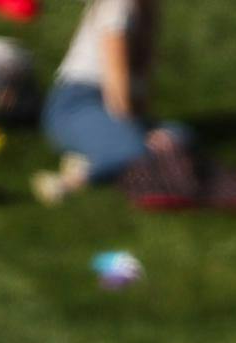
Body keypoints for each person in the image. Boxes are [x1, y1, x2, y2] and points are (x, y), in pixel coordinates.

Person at [34, 0, 193, 203]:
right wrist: (138, 133)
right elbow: (117, 90)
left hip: (109, 109)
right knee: (133, 150)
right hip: (77, 105)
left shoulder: (148, 9)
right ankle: (72, 180)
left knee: (180, 135)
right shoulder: (118, 6)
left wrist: (149, 130)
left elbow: (140, 92)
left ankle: (93, 154)